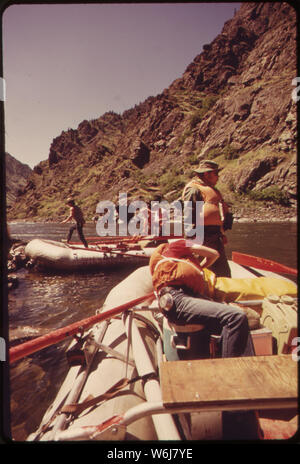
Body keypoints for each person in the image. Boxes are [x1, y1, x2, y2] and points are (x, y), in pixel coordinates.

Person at [150, 238, 255, 358]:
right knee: (236, 317)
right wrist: (200, 265)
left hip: (184, 298)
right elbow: (214, 254)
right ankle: (231, 369)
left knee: (239, 323)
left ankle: (238, 365)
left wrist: (198, 267)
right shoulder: (179, 244)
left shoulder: (177, 260)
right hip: (176, 299)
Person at [182, 159, 233, 277]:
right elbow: (189, 213)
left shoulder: (213, 189)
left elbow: (218, 213)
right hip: (200, 235)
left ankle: (221, 292)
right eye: (216, 174)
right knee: (199, 271)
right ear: (207, 174)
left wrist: (222, 234)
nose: (218, 177)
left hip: (215, 235)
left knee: (223, 272)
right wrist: (192, 238)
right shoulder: (194, 189)